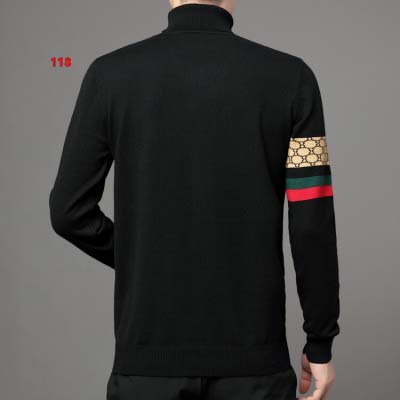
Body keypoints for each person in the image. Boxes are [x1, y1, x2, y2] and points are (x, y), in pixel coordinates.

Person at [48, 1, 340, 399]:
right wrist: (319, 342)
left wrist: (145, 259)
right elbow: (311, 221)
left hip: (146, 370)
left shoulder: (109, 75)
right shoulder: (292, 79)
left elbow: (68, 212)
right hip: (255, 368)